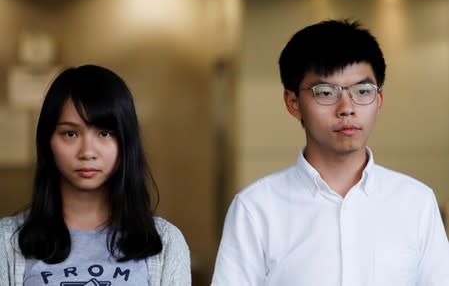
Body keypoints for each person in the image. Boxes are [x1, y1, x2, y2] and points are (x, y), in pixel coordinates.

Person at [211, 19, 449, 286]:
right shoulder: (256, 208)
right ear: (293, 103)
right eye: (325, 92)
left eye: (362, 91)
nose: (347, 108)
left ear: (379, 100)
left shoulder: (416, 202)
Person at [0, 65, 191, 285]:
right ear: (47, 142)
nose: (87, 152)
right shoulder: (7, 240)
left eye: (104, 133)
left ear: (125, 142)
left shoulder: (165, 242)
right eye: (70, 133)